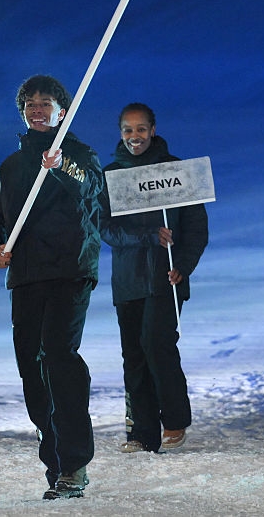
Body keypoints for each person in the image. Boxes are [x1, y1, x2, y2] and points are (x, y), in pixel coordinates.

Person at [0, 74, 103, 499]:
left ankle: (75, 466)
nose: (36, 109)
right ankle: (54, 460)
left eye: (44, 103)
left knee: (57, 355)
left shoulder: (81, 155)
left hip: (69, 271)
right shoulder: (10, 168)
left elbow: (92, 195)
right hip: (27, 276)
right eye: (29, 104)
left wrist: (61, 165)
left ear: (62, 111)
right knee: (33, 368)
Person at [99, 103, 209, 454]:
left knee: (156, 345)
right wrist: (145, 236)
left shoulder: (176, 171)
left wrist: (185, 265)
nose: (135, 136)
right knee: (134, 355)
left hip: (167, 277)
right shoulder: (111, 176)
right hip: (128, 280)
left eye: (141, 129)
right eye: (128, 130)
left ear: (153, 129)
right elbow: (104, 228)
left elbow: (196, 228)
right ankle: (142, 433)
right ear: (120, 133)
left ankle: (174, 420)